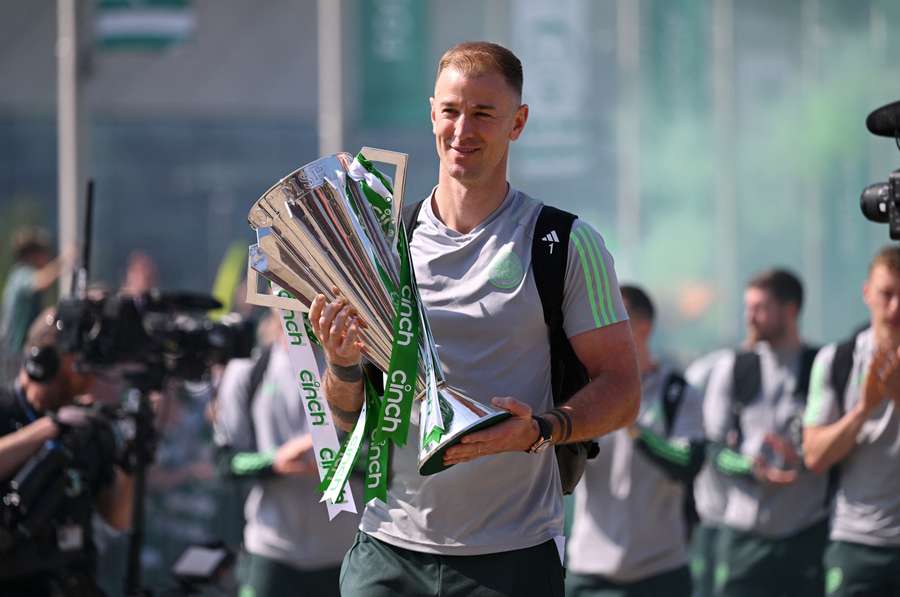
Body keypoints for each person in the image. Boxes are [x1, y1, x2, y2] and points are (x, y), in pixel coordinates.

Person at [310, 41, 641, 597]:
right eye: (451, 111)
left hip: (511, 558)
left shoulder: (561, 243)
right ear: (431, 113)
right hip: (387, 551)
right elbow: (348, 422)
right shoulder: (382, 244)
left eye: (484, 113)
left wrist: (539, 429)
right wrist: (341, 365)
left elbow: (623, 390)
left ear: (518, 122)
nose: (463, 129)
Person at [566, 284, 705, 597]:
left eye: (617, 316)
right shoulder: (582, 394)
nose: (603, 324)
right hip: (590, 572)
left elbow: (688, 463)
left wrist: (632, 424)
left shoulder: (679, 393)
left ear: (645, 327)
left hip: (660, 572)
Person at [214, 312, 360, 596]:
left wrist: (340, 462)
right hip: (271, 551)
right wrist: (274, 462)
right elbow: (225, 462)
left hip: (344, 554)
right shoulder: (248, 369)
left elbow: (388, 458)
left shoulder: (361, 367)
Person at [703, 269, 829, 597]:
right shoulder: (733, 366)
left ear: (790, 310)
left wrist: (801, 459)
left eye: (760, 308)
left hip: (806, 534)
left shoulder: (823, 366)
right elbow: (714, 450)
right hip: (744, 538)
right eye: (747, 308)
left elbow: (840, 447)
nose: (750, 318)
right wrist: (751, 466)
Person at [0, 308, 133, 595]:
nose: (85, 380)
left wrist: (129, 452)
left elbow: (118, 518)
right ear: (42, 363)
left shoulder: (86, 427)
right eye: (77, 367)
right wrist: (50, 428)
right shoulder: (6, 408)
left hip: (72, 581)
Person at [803, 245, 900, 597]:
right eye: (886, 294)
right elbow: (815, 455)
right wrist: (863, 409)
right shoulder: (837, 360)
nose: (895, 308)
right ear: (866, 294)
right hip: (857, 542)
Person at [684, 331, 758, 597]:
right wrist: (752, 467)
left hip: (752, 521)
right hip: (712, 517)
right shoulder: (716, 368)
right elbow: (710, 446)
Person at [0, 228, 67, 383]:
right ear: (32, 255)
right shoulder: (22, 274)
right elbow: (41, 281)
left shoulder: (18, 274)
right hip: (16, 352)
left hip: (19, 351)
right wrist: (65, 260)